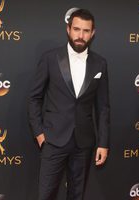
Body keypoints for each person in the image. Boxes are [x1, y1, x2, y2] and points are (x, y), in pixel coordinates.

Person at [28, 9, 110, 200]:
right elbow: (34, 98)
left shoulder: (100, 64)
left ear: (93, 33)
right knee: (46, 194)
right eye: (76, 29)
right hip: (53, 140)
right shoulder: (50, 58)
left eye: (86, 31)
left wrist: (103, 143)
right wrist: (39, 133)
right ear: (68, 29)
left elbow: (103, 106)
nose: (80, 36)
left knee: (77, 194)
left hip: (84, 142)